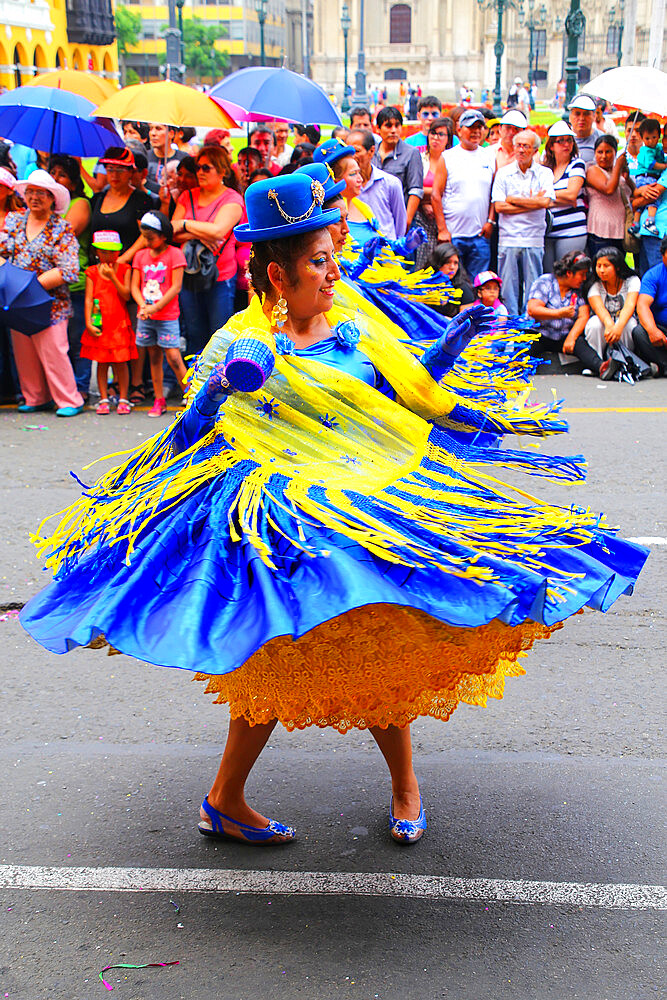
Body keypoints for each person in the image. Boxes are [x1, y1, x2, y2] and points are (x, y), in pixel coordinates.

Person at [21, 172, 648, 849]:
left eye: (333, 256)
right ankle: (226, 799)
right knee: (271, 653)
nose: (333, 272)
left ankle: (402, 785)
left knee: (378, 639)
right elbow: (180, 439)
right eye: (318, 261)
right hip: (281, 524)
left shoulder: (353, 331)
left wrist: (445, 350)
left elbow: (400, 393)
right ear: (275, 275)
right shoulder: (241, 341)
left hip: (367, 507)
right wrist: (218, 394)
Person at [0, 170, 84, 416]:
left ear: (52, 198)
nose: (34, 197)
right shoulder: (15, 221)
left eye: (40, 193)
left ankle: (69, 399)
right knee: (24, 351)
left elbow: (69, 269)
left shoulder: (62, 228)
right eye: (30, 192)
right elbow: (4, 251)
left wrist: (32, 286)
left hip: (49, 302)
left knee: (54, 352)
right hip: (16, 299)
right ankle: (34, 396)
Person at [171, 144, 244, 357]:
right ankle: (195, 383)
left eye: (206, 168)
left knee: (219, 334)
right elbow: (172, 231)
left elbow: (219, 231)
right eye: (198, 167)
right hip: (189, 273)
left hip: (220, 277)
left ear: (222, 171)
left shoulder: (232, 199)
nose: (200, 172)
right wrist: (200, 231)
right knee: (194, 333)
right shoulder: (188, 196)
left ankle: (219, 386)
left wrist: (185, 225)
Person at [131, 211, 188, 418]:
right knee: (153, 357)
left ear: (164, 235)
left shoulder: (175, 254)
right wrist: (143, 306)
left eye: (150, 237)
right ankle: (158, 399)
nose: (146, 241)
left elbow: (176, 286)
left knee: (173, 356)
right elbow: (135, 286)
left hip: (167, 316)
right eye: (144, 237)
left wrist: (155, 308)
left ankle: (190, 397)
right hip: (146, 316)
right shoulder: (140, 256)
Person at [492, 130, 555, 315]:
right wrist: (532, 203)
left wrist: (513, 199)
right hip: (508, 238)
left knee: (533, 287)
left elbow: (545, 202)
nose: (521, 150)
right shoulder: (503, 173)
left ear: (535, 150)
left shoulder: (544, 173)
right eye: (518, 145)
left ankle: (529, 330)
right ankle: (509, 331)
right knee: (508, 290)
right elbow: (499, 207)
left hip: (533, 238)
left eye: (525, 146)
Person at [431, 108, 496, 280]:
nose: (475, 132)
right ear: (459, 130)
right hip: (454, 234)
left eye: (479, 127)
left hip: (480, 235)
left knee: (478, 282)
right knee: (453, 281)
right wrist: (442, 229)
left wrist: (490, 221)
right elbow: (436, 194)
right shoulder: (448, 157)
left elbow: (494, 194)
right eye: (470, 127)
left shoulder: (489, 156)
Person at [526, 250, 611, 378]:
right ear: (569, 273)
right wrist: (558, 314)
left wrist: (572, 337)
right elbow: (533, 309)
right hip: (539, 332)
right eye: (581, 274)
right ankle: (511, 370)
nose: (584, 278)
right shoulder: (545, 282)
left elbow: (583, 315)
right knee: (526, 346)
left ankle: (601, 367)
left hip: (563, 335)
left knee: (580, 344)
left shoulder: (579, 289)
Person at [49, 154, 92, 402]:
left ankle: (81, 386)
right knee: (57, 344)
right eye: (52, 173)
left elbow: (63, 235)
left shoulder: (79, 204)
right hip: (49, 285)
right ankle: (61, 390)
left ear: (73, 182)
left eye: (61, 175)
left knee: (78, 340)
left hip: (75, 283)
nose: (55, 179)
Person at [82, 229, 136, 415]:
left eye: (112, 251)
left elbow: (126, 294)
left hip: (119, 323)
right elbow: (89, 298)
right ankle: (103, 398)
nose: (108, 255)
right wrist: (88, 321)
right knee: (102, 362)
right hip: (100, 323)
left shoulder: (124, 269)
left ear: (119, 251)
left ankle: (123, 398)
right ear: (96, 252)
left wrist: (113, 277)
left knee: (121, 362)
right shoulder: (91, 272)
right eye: (104, 251)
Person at [541, 121, 587, 272]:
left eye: (569, 140)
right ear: (551, 146)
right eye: (560, 141)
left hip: (572, 231)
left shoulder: (576, 165)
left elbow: (571, 194)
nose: (566, 144)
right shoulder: (545, 169)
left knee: (568, 274)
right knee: (549, 275)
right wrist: (558, 199)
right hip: (548, 231)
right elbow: (537, 198)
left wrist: (546, 199)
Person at [346, 128, 406, 241]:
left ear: (371, 151)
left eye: (357, 151)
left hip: (386, 253)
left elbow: (400, 224)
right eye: (348, 152)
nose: (352, 157)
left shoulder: (390, 183)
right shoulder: (345, 186)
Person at [584, 246, 640, 360]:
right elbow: (599, 308)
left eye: (606, 266)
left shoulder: (632, 280)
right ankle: (597, 362)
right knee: (594, 324)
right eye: (598, 266)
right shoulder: (594, 284)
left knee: (629, 325)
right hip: (604, 321)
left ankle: (626, 360)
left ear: (617, 267)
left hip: (623, 319)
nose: (601, 270)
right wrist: (610, 325)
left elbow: (630, 305)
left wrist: (618, 327)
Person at [372, 106, 424, 230]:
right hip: (374, 219)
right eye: (388, 126)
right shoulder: (371, 152)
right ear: (378, 129)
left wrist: (406, 221)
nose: (393, 130)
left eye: (397, 125)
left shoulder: (411, 153)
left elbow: (415, 190)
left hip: (399, 219)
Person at [414, 118, 451, 268]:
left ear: (448, 139)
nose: (436, 138)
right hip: (423, 216)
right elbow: (415, 188)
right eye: (433, 133)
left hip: (447, 216)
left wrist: (429, 194)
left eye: (441, 134)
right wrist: (425, 202)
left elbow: (450, 191)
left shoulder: (452, 160)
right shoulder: (419, 158)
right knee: (424, 262)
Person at [585, 135, 630, 258]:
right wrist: (618, 167)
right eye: (600, 152)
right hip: (601, 230)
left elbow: (631, 192)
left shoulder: (616, 171)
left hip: (619, 230)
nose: (603, 156)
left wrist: (626, 174)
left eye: (608, 152)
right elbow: (609, 189)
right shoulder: (592, 170)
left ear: (615, 152)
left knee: (618, 271)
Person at [633, 234, 667, 374]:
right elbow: (642, 305)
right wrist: (653, 330)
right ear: (663, 254)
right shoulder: (653, 275)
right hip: (662, 331)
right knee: (639, 332)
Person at [628, 119, 666, 237]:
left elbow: (651, 194)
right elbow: (651, 194)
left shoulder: (656, 150)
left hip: (660, 232)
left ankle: (639, 223)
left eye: (654, 137)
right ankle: (643, 222)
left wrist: (635, 201)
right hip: (653, 233)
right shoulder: (647, 151)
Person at [429, 242, 475, 317]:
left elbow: (466, 321)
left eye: (456, 263)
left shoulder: (464, 289)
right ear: (437, 263)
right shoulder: (423, 285)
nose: (452, 267)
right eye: (447, 262)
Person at [145, 124, 187, 194]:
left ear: (171, 134)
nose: (153, 133)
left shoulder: (183, 159)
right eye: (151, 129)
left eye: (158, 129)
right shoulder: (145, 157)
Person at [567, 94, 602, 166]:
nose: (582, 118)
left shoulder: (602, 139)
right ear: (570, 117)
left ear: (594, 117)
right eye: (577, 114)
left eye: (586, 114)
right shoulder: (561, 139)